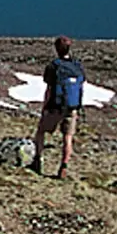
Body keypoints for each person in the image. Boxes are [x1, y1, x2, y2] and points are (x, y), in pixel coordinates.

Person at [30, 36, 85, 179]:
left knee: (41, 131)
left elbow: (49, 89)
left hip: (55, 106)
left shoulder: (53, 66)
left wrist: (45, 106)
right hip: (72, 107)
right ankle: (63, 167)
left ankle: (38, 159)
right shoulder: (77, 66)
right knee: (67, 137)